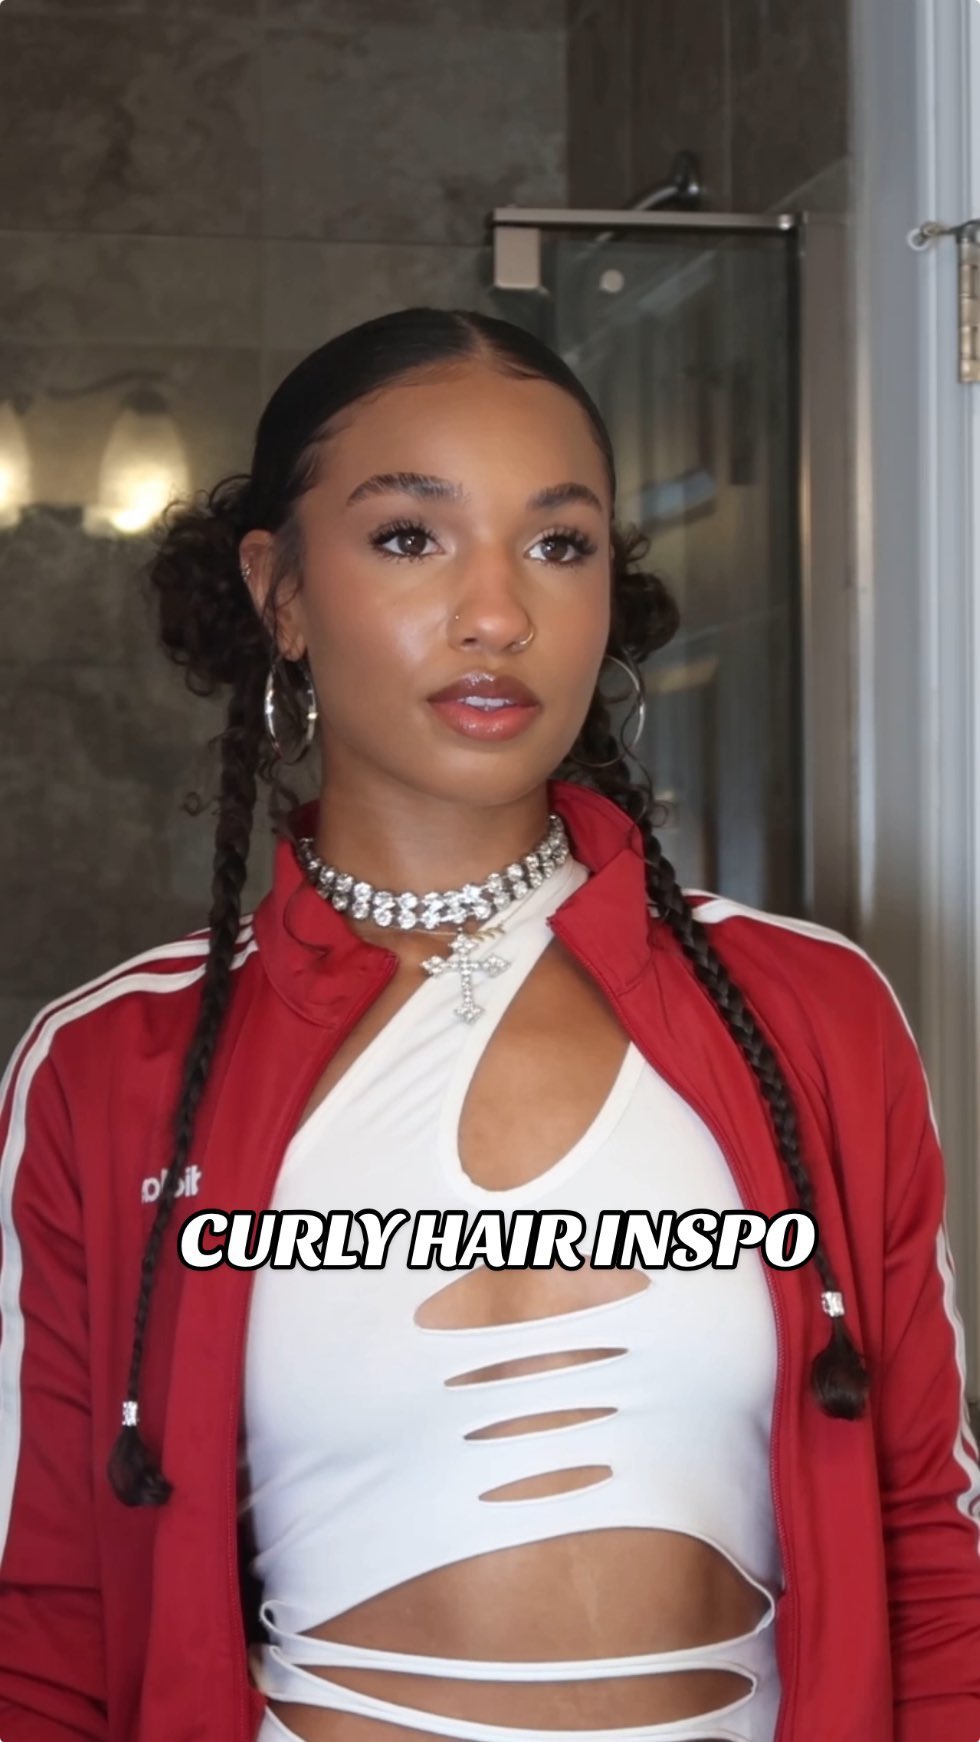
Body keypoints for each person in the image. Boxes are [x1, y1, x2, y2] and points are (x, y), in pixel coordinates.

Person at [0, 306, 978, 1742]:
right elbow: (51, 1622)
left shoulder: (809, 1012)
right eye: (411, 535)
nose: (498, 611)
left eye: (559, 543)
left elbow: (932, 1550)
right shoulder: (112, 1065)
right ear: (279, 590)